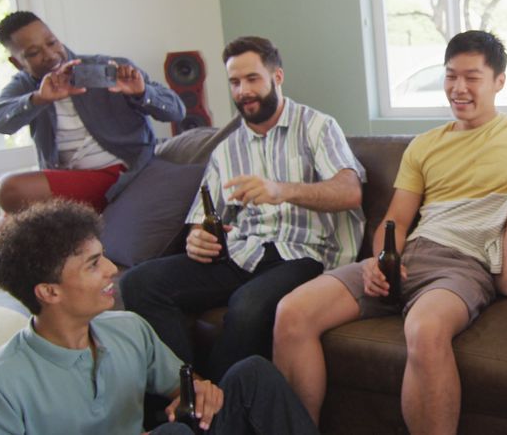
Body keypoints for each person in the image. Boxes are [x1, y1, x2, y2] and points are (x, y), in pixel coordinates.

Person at [273, 30, 507, 434]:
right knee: (292, 314)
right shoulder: (424, 146)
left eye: (472, 77)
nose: (459, 88)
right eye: (450, 76)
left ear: (499, 82)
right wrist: (377, 260)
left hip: (461, 267)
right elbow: (396, 221)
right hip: (405, 261)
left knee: (424, 330)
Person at [120, 35, 365, 382]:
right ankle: (187, 391)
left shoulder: (316, 127)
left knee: (248, 308)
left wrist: (281, 190)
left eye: (252, 79)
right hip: (243, 252)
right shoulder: (226, 149)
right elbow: (202, 219)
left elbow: (349, 192)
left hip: (304, 253)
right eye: (235, 82)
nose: (243, 91)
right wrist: (197, 238)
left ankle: (221, 410)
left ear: (277, 77)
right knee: (138, 283)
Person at [0, 199, 318, 435]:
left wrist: (201, 391)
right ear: (49, 292)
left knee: (251, 375)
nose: (112, 270)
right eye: (93, 264)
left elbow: (183, 389)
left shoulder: (129, 329)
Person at [0, 11, 185, 214]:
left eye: (52, 42)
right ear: (17, 63)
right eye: (34, 53)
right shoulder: (25, 84)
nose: (50, 55)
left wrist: (142, 93)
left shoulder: (106, 66)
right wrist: (39, 99)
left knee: (9, 190)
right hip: (67, 179)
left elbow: (177, 111)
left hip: (122, 174)